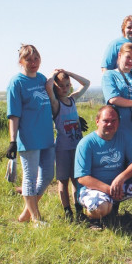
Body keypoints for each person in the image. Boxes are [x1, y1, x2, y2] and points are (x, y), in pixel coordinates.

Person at [75, 105, 132, 232]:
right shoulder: (86, 143)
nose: (110, 124)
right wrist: (109, 190)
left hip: (118, 186)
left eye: (114, 121)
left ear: (119, 122)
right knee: (102, 208)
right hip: (94, 189)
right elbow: (82, 178)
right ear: (97, 122)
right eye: (106, 121)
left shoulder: (123, 136)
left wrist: (121, 178)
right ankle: (94, 219)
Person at [6, 45, 55, 225]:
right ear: (21, 62)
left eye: (36, 59)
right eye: (29, 60)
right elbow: (14, 114)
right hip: (29, 137)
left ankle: (27, 213)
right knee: (30, 177)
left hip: (47, 136)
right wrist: (12, 140)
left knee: (49, 175)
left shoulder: (41, 79)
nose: (33, 63)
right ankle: (36, 218)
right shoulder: (16, 82)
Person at [45, 69, 90, 221]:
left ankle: (79, 209)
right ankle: (67, 212)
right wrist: (53, 74)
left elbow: (86, 83)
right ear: (55, 88)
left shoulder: (72, 99)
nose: (64, 89)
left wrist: (70, 73)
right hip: (63, 148)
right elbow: (48, 86)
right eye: (61, 86)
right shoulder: (56, 104)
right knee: (63, 181)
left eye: (67, 85)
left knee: (77, 180)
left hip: (77, 147)